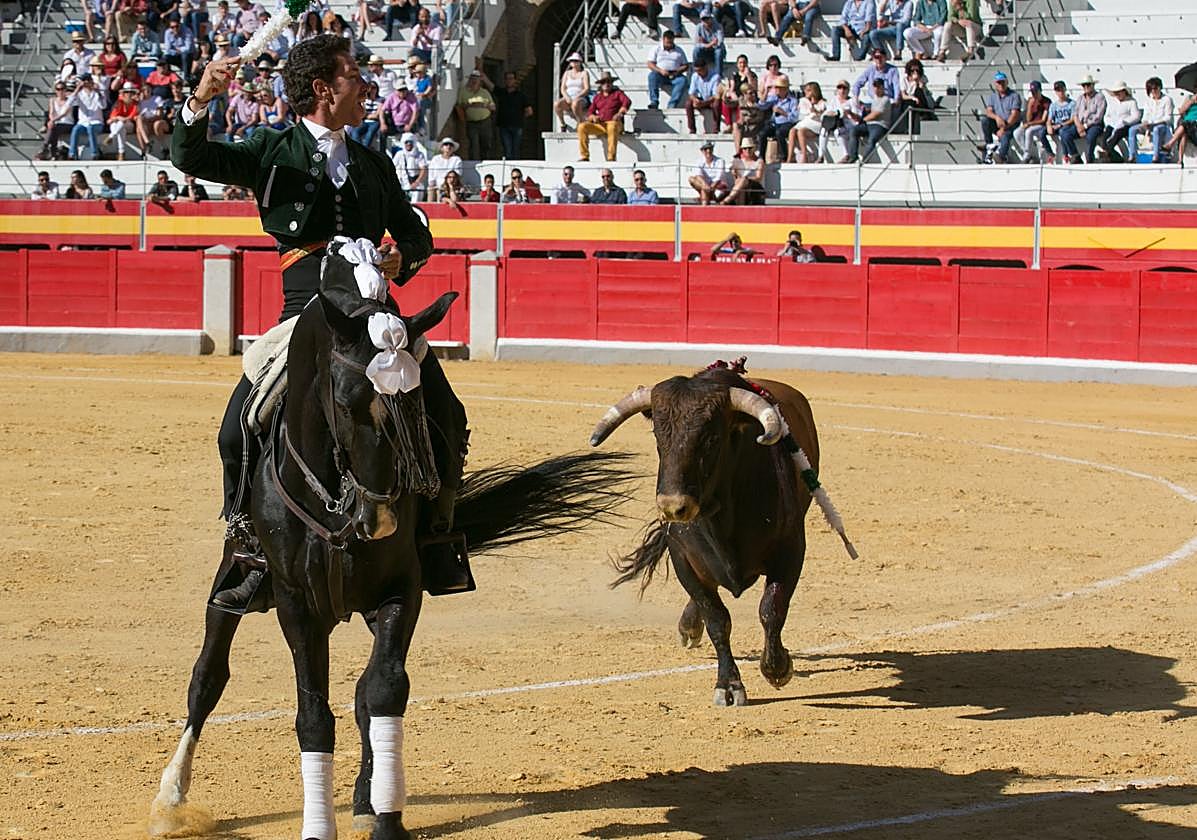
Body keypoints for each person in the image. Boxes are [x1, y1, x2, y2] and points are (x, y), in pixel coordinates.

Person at [171, 34, 466, 608]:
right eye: (356, 76)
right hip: (302, 313)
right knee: (235, 432)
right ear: (323, 89)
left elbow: (416, 234)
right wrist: (201, 97)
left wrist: (402, 256)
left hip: (374, 314)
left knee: (447, 415)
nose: (367, 87)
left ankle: (436, 538)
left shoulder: (374, 164)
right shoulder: (270, 149)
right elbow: (192, 157)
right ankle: (249, 542)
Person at [579, 71, 631, 162]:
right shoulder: (597, 97)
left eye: (608, 82)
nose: (606, 84)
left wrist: (619, 113)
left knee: (612, 126)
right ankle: (584, 156)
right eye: (604, 82)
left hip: (615, 123)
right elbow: (590, 111)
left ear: (612, 83)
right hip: (601, 124)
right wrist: (593, 117)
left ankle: (611, 157)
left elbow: (627, 102)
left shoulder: (618, 93)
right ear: (601, 85)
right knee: (582, 127)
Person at [843, 77, 892, 162]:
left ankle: (865, 160)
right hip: (870, 124)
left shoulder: (886, 99)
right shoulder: (875, 99)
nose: (876, 89)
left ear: (883, 87)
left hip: (880, 125)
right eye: (875, 86)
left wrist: (862, 120)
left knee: (872, 139)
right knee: (854, 130)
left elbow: (876, 114)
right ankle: (853, 156)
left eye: (879, 86)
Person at [1060, 73, 1105, 164]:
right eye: (1084, 85)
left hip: (1094, 125)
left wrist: (1084, 126)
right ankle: (1075, 155)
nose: (1085, 87)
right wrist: (1079, 126)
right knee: (1065, 134)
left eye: (1088, 85)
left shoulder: (1099, 97)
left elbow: (1098, 116)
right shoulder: (1080, 98)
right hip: (1080, 124)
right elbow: (1075, 114)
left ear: (1093, 85)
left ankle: (1089, 158)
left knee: (1091, 137)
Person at [979, 70, 1020, 164]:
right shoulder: (993, 96)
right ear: (995, 84)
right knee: (985, 120)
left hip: (1010, 124)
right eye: (999, 82)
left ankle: (1001, 157)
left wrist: (1004, 127)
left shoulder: (1014, 96)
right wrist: (997, 117)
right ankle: (989, 145)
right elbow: (988, 111)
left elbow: (1015, 114)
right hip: (999, 122)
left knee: (1005, 137)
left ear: (1007, 82)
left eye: (1002, 82)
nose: (1001, 84)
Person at [756, 74, 799, 161]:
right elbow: (761, 106)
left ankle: (784, 157)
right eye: (776, 88)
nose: (777, 90)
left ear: (785, 89)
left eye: (779, 88)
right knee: (762, 133)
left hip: (787, 123)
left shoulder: (793, 101)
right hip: (775, 123)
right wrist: (766, 92)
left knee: (779, 133)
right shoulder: (774, 98)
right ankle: (761, 157)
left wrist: (783, 112)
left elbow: (795, 117)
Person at [455, 69, 495, 159]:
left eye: (476, 79)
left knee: (486, 143)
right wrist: (469, 105)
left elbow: (493, 107)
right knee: (473, 144)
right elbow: (459, 106)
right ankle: (473, 163)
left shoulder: (484, 92)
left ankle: (486, 162)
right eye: (472, 79)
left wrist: (484, 105)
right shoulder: (463, 91)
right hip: (471, 122)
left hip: (485, 121)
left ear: (479, 81)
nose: (474, 81)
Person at [493, 71, 532, 159]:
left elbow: (529, 111)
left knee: (516, 149)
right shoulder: (501, 92)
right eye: (507, 79)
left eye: (511, 78)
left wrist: (519, 117)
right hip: (503, 125)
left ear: (515, 80)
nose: (509, 81)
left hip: (517, 126)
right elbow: (491, 86)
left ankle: (516, 168)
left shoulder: (521, 95)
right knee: (507, 149)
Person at [646, 30, 688, 109]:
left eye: (670, 42)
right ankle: (654, 101)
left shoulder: (679, 50)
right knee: (652, 76)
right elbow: (650, 63)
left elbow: (685, 65)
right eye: (667, 42)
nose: (669, 44)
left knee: (683, 80)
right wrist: (660, 70)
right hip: (660, 74)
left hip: (675, 75)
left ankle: (672, 105)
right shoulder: (656, 49)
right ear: (663, 39)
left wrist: (677, 71)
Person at [786, 80, 826, 163]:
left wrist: (815, 111)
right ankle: (790, 157)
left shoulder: (822, 102)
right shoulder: (804, 101)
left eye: (808, 90)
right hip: (807, 122)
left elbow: (822, 115)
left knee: (801, 131)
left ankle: (804, 155)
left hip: (816, 123)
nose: (805, 92)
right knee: (792, 131)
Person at [1136, 77, 1174, 165]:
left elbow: (1168, 118)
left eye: (1155, 88)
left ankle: (1155, 155)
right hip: (1150, 124)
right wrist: (1145, 122)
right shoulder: (1148, 101)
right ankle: (1133, 155)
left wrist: (1153, 123)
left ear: (1160, 87)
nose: (1153, 91)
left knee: (1156, 129)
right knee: (1132, 130)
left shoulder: (1167, 99)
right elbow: (1145, 116)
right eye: (1151, 89)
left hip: (1163, 125)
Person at [1099, 81, 1140, 163]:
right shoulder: (1113, 102)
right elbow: (1107, 115)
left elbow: (1136, 116)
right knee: (1104, 138)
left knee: (1117, 134)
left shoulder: (1132, 102)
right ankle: (1116, 157)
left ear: (1124, 91)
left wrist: (1125, 121)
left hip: (1125, 125)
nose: (1117, 95)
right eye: (1115, 93)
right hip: (1112, 124)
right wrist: (1109, 123)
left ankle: (1107, 153)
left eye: (1119, 92)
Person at [67, 76, 106, 160]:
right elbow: (69, 103)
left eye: (88, 81)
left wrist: (98, 92)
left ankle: (94, 153)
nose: (86, 83)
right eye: (84, 81)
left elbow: (103, 106)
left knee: (90, 128)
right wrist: (77, 89)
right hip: (83, 123)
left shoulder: (97, 94)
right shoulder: (79, 94)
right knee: (75, 129)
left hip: (96, 122)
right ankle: (72, 154)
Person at [1013, 79, 1049, 163]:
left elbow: (1043, 120)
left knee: (1029, 131)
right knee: (1016, 132)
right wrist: (1029, 106)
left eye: (1035, 91)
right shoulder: (1031, 101)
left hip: (1041, 125)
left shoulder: (1046, 101)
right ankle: (1028, 152)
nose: (1034, 93)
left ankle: (1027, 154)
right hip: (1031, 123)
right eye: (1032, 91)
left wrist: (1029, 124)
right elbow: (1028, 118)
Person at [38, 81, 76, 160]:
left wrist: (52, 121)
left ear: (65, 90)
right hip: (56, 123)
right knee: (53, 129)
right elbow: (51, 112)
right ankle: (52, 154)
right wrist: (52, 120)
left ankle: (46, 148)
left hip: (67, 123)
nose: (60, 91)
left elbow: (64, 114)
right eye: (58, 89)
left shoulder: (69, 101)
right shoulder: (52, 100)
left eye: (62, 89)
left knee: (53, 128)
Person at [719, 55, 757, 132]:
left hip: (746, 98)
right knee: (725, 103)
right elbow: (732, 88)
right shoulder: (734, 75)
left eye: (744, 63)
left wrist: (748, 76)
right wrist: (731, 94)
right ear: (737, 64)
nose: (742, 65)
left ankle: (739, 125)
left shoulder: (752, 75)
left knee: (742, 103)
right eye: (740, 63)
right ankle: (729, 124)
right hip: (736, 97)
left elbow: (753, 88)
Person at [554, 52, 591, 130]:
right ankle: (562, 123)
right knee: (557, 104)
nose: (573, 62)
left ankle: (580, 121)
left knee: (575, 103)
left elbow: (586, 88)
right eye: (572, 61)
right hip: (569, 97)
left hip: (580, 97)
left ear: (580, 62)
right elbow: (563, 88)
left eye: (576, 61)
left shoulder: (584, 73)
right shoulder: (567, 73)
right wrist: (567, 97)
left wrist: (577, 96)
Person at [724, 138, 765, 204]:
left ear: (753, 149)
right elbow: (736, 178)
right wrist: (735, 173)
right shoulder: (737, 161)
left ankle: (728, 199)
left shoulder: (759, 161)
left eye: (749, 148)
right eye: (745, 148)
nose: (747, 150)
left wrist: (745, 179)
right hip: (741, 186)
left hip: (755, 186)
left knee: (743, 181)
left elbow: (758, 178)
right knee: (741, 185)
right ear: (742, 150)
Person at [685, 59, 721, 135]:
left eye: (700, 70)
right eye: (696, 71)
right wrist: (695, 100)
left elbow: (715, 95)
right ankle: (692, 129)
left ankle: (716, 128)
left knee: (717, 104)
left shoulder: (715, 76)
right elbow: (691, 93)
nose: (698, 73)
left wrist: (704, 103)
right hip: (700, 99)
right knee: (688, 104)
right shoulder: (695, 76)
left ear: (705, 68)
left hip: (711, 100)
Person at [106, 82, 140, 159]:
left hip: (130, 125)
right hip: (120, 126)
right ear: (123, 94)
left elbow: (131, 117)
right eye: (127, 92)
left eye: (131, 92)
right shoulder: (119, 103)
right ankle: (121, 153)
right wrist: (119, 118)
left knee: (121, 124)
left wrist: (120, 118)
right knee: (120, 128)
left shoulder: (136, 104)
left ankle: (111, 136)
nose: (129, 94)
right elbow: (112, 118)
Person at [380, 80, 418, 148]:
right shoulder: (392, 97)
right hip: (394, 125)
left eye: (404, 89)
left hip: (406, 125)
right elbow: (382, 110)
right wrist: (383, 123)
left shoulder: (411, 96)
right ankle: (382, 153)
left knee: (410, 138)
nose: (402, 92)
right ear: (396, 90)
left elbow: (415, 112)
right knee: (382, 132)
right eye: (400, 90)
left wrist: (410, 125)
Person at [689, 139, 729, 204]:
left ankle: (704, 206)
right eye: (706, 149)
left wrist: (710, 187)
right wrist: (705, 185)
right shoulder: (699, 161)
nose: (708, 151)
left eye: (710, 149)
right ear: (702, 151)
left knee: (704, 190)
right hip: (707, 186)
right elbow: (699, 175)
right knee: (691, 179)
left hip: (718, 187)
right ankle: (706, 201)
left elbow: (719, 178)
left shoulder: (720, 161)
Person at [1162, 91, 1197, 163]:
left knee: (1184, 127)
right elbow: (1181, 111)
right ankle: (1180, 159)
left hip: (1195, 125)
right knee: (1184, 133)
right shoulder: (1190, 98)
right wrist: (1191, 101)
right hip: (1187, 124)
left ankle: (1170, 143)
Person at [1043, 80, 1072, 164]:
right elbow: (1049, 119)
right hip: (1056, 125)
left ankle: (1065, 154)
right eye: (1058, 90)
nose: (1060, 92)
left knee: (1063, 132)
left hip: (1067, 125)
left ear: (1065, 89)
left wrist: (1060, 125)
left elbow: (1072, 119)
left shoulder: (1071, 103)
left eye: (1062, 89)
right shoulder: (1054, 105)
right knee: (1041, 132)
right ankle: (1050, 154)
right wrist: (1049, 126)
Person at [393, 131, 428, 200]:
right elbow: (392, 167)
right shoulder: (399, 154)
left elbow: (423, 169)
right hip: (402, 183)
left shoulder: (419, 154)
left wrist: (417, 182)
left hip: (415, 183)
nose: (408, 144)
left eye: (410, 142)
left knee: (418, 192)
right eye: (406, 142)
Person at [350, 80, 383, 150]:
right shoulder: (364, 99)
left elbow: (377, 115)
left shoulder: (380, 100)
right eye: (370, 88)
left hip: (375, 122)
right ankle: (358, 150)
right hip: (364, 121)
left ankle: (364, 151)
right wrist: (369, 115)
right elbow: (363, 112)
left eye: (374, 88)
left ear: (377, 89)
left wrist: (367, 115)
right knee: (355, 132)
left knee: (369, 134)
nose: (372, 90)